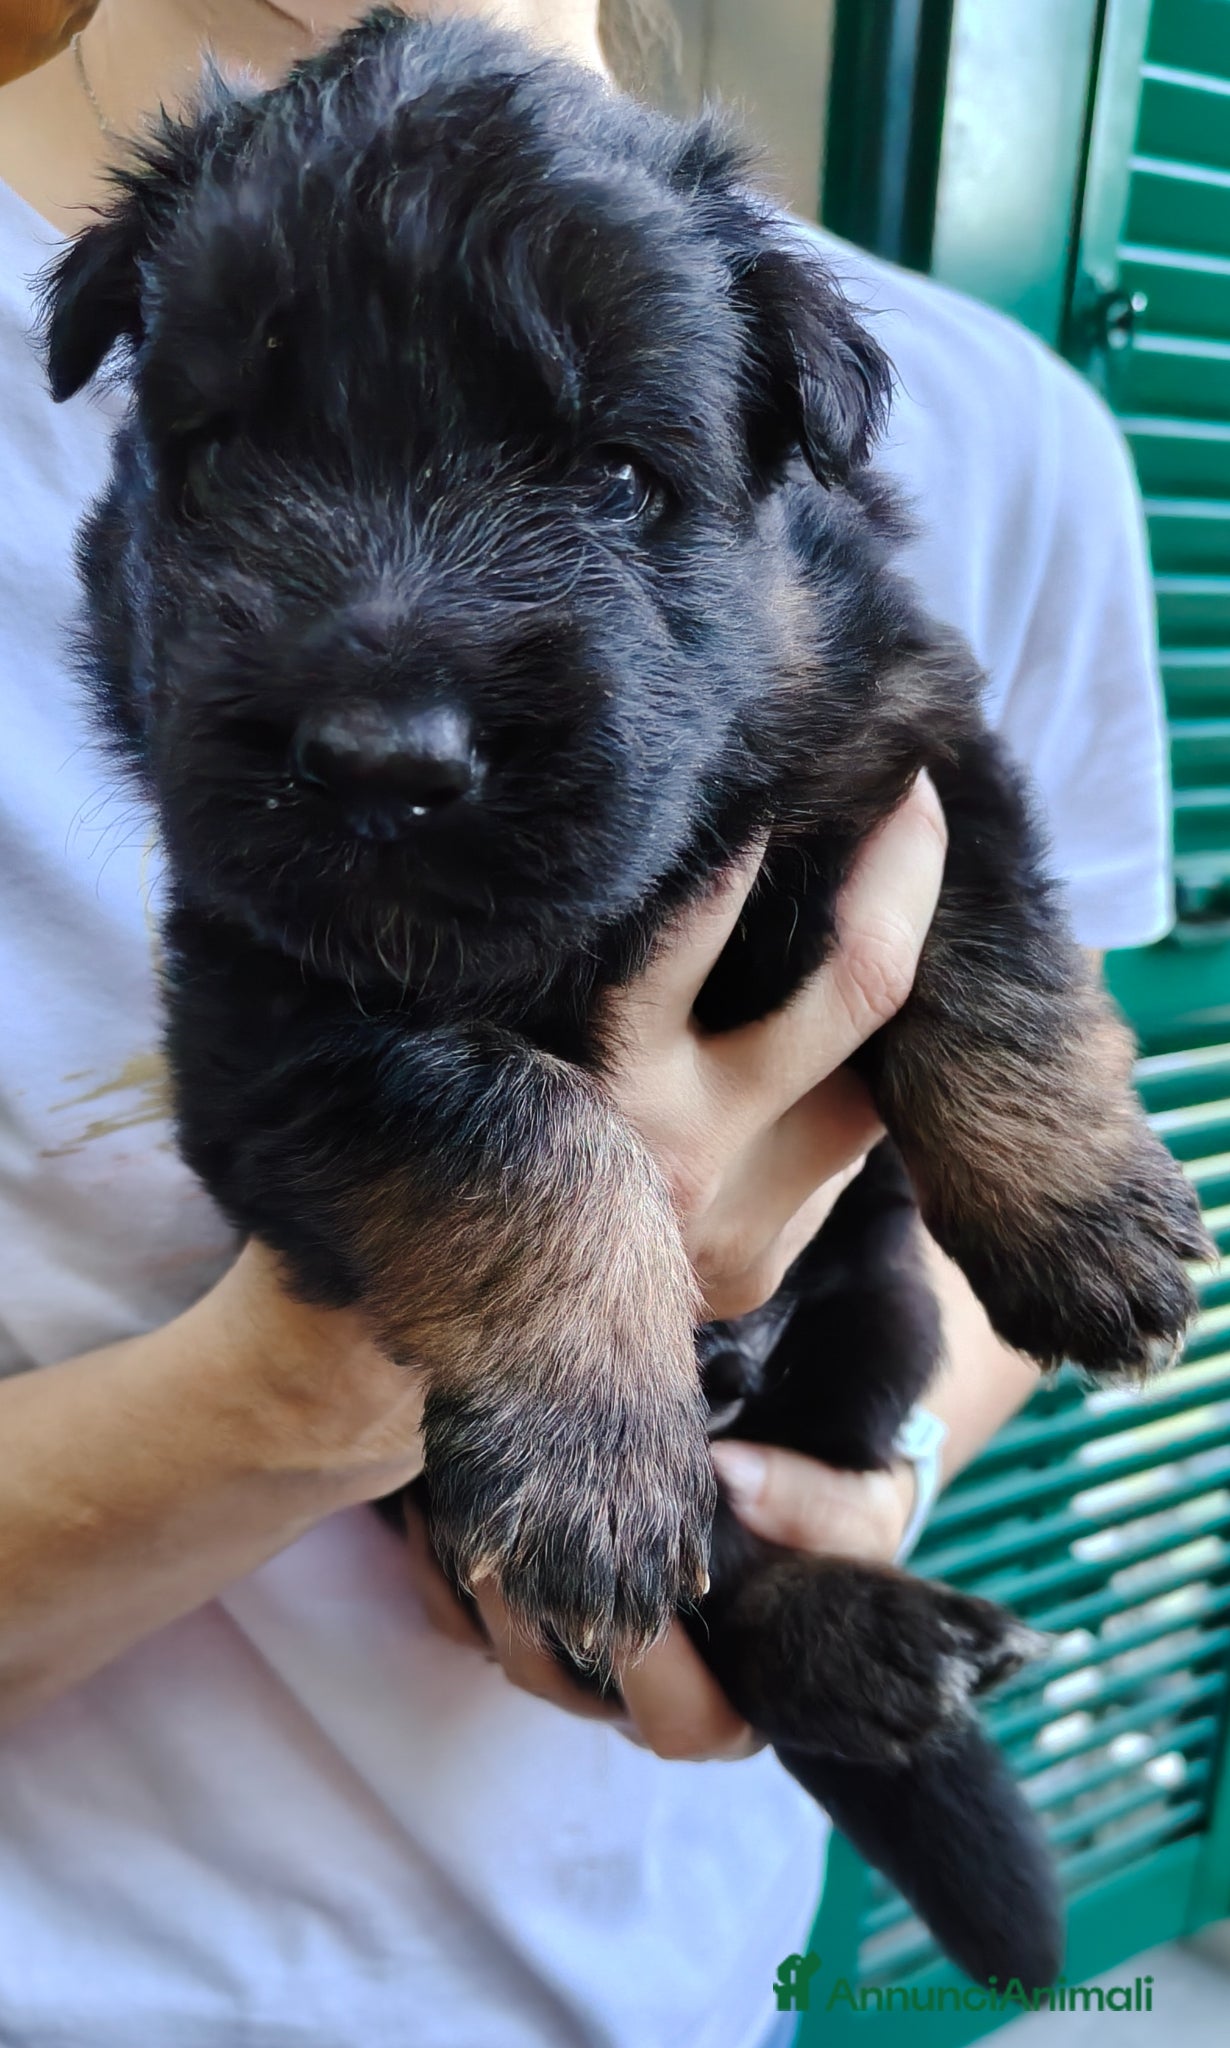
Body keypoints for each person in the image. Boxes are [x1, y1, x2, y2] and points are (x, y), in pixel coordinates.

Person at [0, 4, 1170, 2045]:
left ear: (776, 479)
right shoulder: (164, 250)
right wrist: (395, 1359)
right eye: (249, 457)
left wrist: (870, 1462)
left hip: (672, 1977)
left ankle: (789, 1609)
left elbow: (965, 870)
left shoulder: (993, 441)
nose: (385, 697)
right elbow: (287, 1074)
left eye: (619, 478)